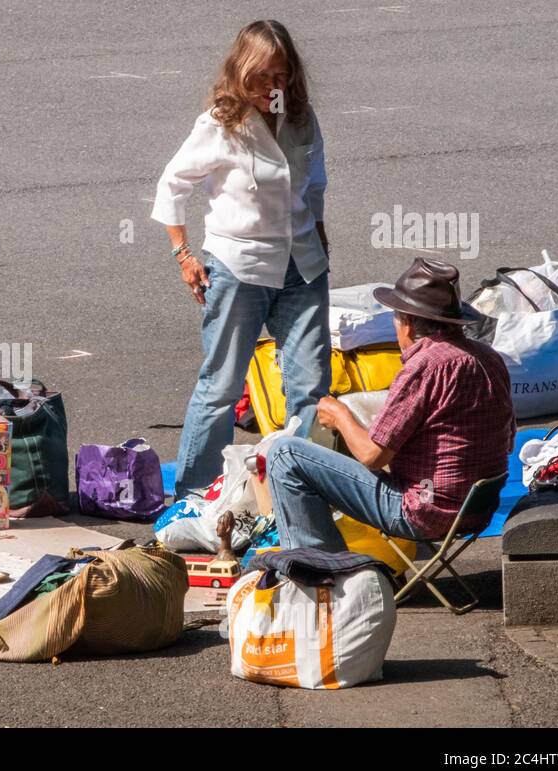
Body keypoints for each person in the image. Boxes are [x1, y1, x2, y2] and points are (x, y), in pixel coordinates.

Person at [151, 19, 331, 497]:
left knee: (310, 387)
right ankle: (194, 497)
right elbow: (173, 184)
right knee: (222, 386)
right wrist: (184, 254)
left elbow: (314, 184)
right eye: (262, 76)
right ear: (241, 71)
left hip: (302, 266)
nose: (272, 86)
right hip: (239, 267)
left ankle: (303, 489)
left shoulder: (300, 117)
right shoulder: (219, 123)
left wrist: (321, 239)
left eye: (281, 75)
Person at [266, 258, 517, 550]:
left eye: (396, 319)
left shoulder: (424, 367)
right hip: (477, 509)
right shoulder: (488, 357)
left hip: (426, 510)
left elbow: (372, 457)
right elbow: (507, 438)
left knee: (285, 454)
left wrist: (340, 415)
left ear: (407, 324)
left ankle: (319, 567)